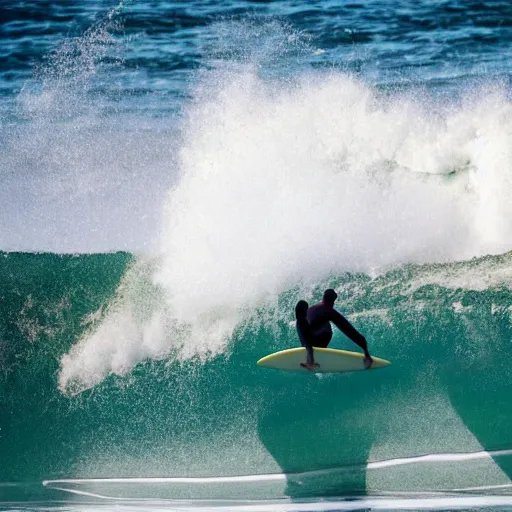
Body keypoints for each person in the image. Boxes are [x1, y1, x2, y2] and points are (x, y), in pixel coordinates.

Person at [295, 289, 373, 371]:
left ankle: (309, 356)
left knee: (301, 320)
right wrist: (366, 352)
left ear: (323, 298)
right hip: (314, 342)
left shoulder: (312, 308)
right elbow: (349, 330)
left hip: (305, 341)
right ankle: (310, 359)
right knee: (327, 327)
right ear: (333, 300)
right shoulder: (329, 311)